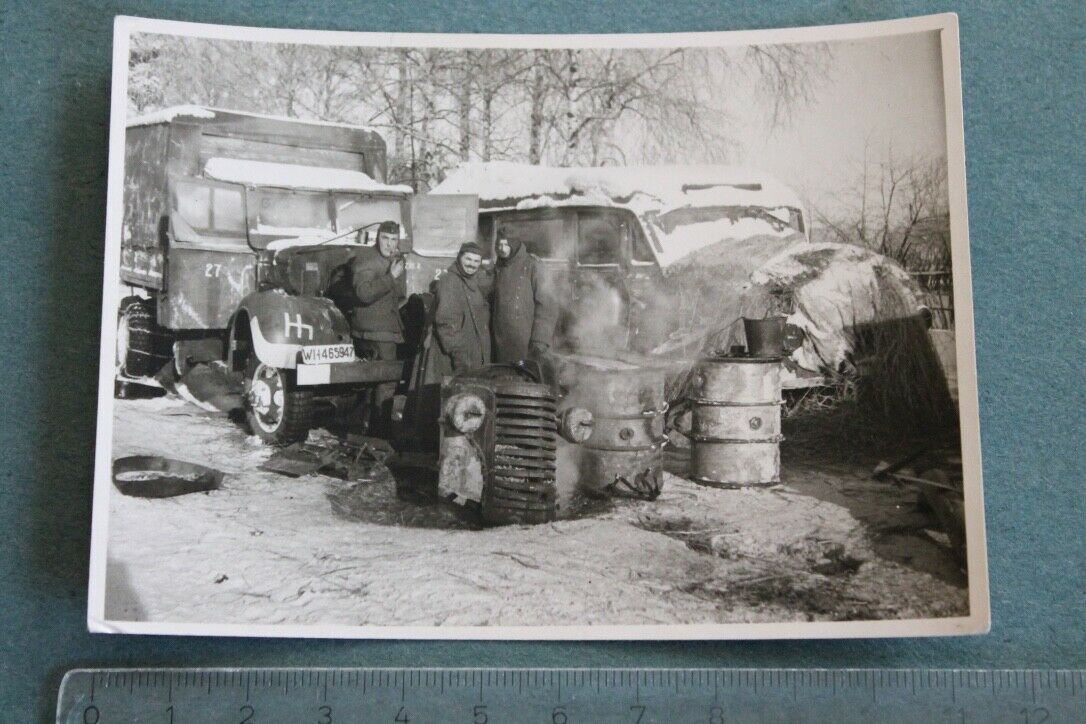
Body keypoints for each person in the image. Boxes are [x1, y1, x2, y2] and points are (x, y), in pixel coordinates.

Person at [348, 221, 406, 422]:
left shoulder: (394, 261)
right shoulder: (367, 261)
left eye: (394, 240)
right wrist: (391, 277)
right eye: (385, 239)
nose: (389, 245)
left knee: (374, 382)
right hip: (375, 333)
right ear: (377, 238)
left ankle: (367, 425)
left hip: (384, 330)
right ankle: (380, 430)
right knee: (386, 381)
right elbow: (364, 293)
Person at [491, 232, 557, 363]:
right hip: (501, 341)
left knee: (527, 377)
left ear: (515, 244)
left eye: (506, 244)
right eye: (499, 244)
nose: (502, 249)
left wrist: (540, 340)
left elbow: (547, 305)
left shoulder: (533, 266)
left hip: (526, 342)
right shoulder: (498, 267)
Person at [432, 242, 491, 373]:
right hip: (456, 361)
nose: (472, 264)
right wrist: (460, 360)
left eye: (476, 261)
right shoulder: (449, 282)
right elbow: (446, 324)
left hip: (475, 357)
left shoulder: (475, 283)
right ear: (459, 258)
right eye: (468, 259)